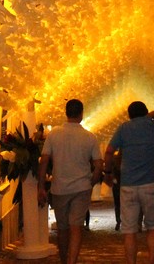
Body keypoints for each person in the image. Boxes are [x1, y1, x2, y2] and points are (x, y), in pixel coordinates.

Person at [38, 99, 103, 264]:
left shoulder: (54, 134)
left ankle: (64, 260)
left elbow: (44, 161)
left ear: (66, 113)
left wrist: (41, 186)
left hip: (59, 188)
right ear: (81, 114)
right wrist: (92, 181)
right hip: (81, 187)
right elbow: (98, 165)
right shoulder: (89, 137)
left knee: (62, 228)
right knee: (76, 227)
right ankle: (72, 261)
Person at [103, 101, 154, 264]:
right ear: (145, 112)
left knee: (129, 230)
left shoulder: (124, 128)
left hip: (128, 185)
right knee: (153, 227)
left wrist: (108, 172)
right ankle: (151, 261)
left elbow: (109, 151)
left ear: (129, 115)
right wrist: (147, 118)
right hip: (150, 183)